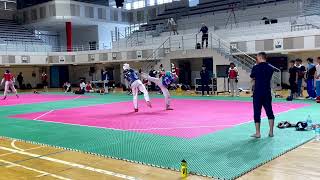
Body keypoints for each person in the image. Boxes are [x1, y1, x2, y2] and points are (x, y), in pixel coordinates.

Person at [250, 52, 275, 138]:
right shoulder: (271, 68)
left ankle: (258, 133)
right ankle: (271, 132)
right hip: (267, 92)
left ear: (260, 57)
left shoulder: (255, 67)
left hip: (257, 92)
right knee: (269, 111)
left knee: (257, 112)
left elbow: (252, 76)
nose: (256, 59)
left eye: (257, 57)